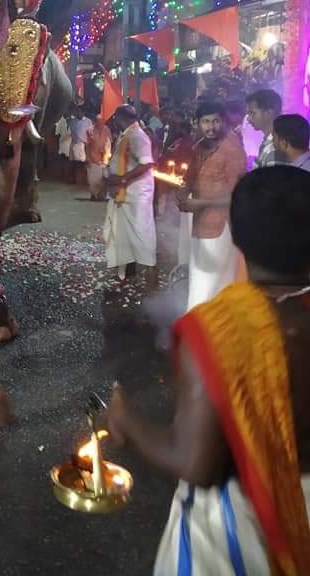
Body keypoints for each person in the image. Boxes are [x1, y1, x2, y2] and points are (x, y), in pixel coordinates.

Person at [108, 167, 310, 575]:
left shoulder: (220, 326)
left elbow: (194, 461)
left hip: (239, 527)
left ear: (233, 231)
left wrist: (125, 419)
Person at [178, 102, 247, 309]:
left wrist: (200, 203)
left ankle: (211, 334)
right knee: (200, 281)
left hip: (222, 227)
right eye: (205, 121)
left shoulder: (233, 149)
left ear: (224, 122)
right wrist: (183, 189)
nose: (211, 126)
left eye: (216, 121)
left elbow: (237, 195)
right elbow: (189, 177)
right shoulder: (199, 146)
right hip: (201, 225)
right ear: (197, 123)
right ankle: (200, 331)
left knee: (213, 286)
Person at [104, 105, 157, 283]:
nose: (115, 122)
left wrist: (123, 179)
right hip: (126, 194)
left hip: (136, 194)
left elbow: (147, 164)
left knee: (141, 232)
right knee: (124, 233)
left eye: (116, 118)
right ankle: (129, 269)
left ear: (121, 118)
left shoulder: (137, 136)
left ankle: (151, 271)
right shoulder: (127, 134)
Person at [246, 88, 282, 168]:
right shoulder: (269, 142)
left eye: (252, 113)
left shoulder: (274, 148)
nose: (248, 119)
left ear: (269, 112)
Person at [85, 113, 111, 201]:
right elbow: (87, 145)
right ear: (95, 122)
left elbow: (109, 143)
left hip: (104, 159)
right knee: (93, 179)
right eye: (98, 121)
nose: (100, 123)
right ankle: (94, 195)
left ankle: (101, 196)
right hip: (93, 158)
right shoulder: (90, 130)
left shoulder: (107, 130)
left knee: (103, 179)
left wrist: (106, 152)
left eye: (101, 121)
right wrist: (87, 158)